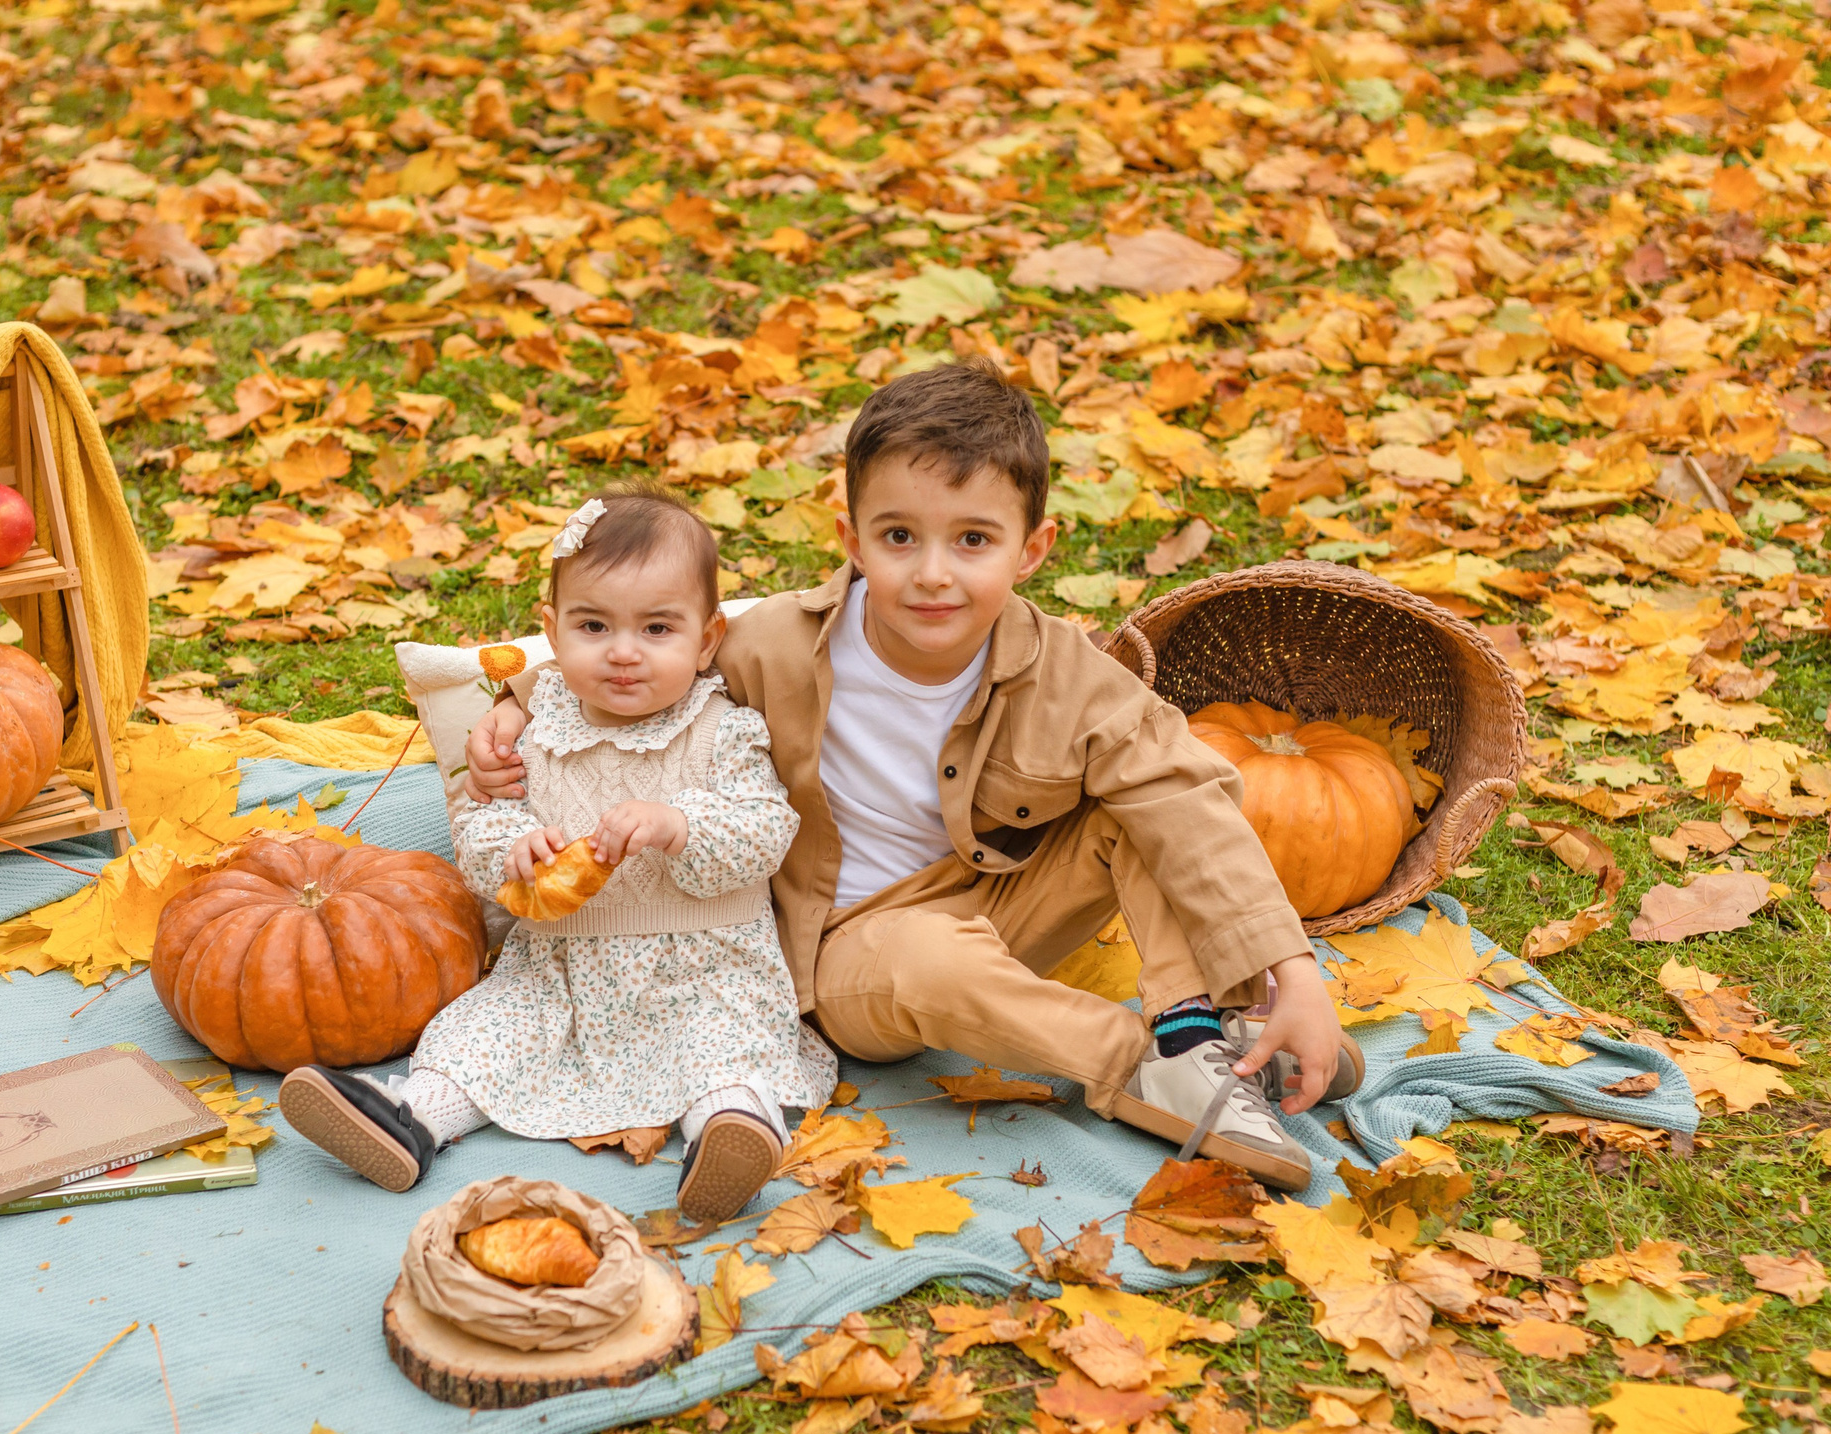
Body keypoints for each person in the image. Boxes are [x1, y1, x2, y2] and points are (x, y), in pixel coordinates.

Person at [463, 361, 1359, 1192]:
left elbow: (1186, 792)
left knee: (1146, 806)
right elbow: (644, 647)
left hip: (997, 902)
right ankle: (1141, 1062)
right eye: (899, 536)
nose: (934, 574)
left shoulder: (1066, 672)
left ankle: (1208, 1024)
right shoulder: (774, 644)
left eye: (973, 540)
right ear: (852, 538)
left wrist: (1293, 971)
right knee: (933, 959)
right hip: (849, 950)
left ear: (1032, 548)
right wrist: (518, 701)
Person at [278, 484, 836, 1223]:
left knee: (723, 1049)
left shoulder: (722, 729)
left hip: (705, 966)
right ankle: (412, 1118)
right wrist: (512, 847)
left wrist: (679, 823)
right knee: (487, 1033)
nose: (623, 651)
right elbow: (481, 826)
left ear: (706, 640)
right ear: (553, 630)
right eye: (593, 625)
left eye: (658, 628)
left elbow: (765, 829)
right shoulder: (534, 731)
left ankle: (730, 1132)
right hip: (562, 969)